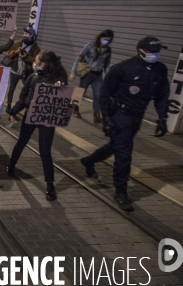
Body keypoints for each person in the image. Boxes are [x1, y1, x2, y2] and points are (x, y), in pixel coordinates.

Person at [79, 36, 170, 211]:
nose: (156, 55)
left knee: (116, 146)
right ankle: (121, 191)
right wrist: (106, 117)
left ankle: (89, 161)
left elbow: (162, 95)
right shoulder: (123, 68)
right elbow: (105, 93)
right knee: (124, 154)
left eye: (158, 51)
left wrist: (162, 117)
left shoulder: (160, 70)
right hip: (120, 114)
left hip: (138, 115)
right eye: (152, 52)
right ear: (140, 51)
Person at [7, 51, 68, 201]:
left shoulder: (58, 79)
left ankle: (50, 185)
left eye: (37, 61)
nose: (34, 64)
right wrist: (13, 111)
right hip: (30, 114)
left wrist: (60, 87)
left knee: (45, 152)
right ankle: (11, 165)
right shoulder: (32, 77)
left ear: (44, 64)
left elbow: (64, 96)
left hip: (47, 118)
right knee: (21, 142)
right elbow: (23, 98)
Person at [69, 30, 114, 123]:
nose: (106, 41)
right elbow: (78, 59)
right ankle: (75, 109)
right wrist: (73, 72)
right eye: (105, 39)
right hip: (87, 73)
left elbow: (107, 64)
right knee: (80, 92)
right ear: (100, 37)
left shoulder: (108, 50)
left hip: (98, 75)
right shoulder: (89, 46)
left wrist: (109, 76)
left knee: (98, 95)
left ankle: (96, 115)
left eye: (109, 40)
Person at [6, 27, 41, 114]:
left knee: (28, 91)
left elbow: (36, 61)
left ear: (31, 35)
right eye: (24, 33)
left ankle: (26, 107)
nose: (24, 35)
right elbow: (9, 53)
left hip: (26, 73)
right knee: (11, 89)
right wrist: (15, 52)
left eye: (26, 33)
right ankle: (9, 105)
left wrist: (25, 57)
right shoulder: (18, 43)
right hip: (15, 70)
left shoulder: (36, 48)